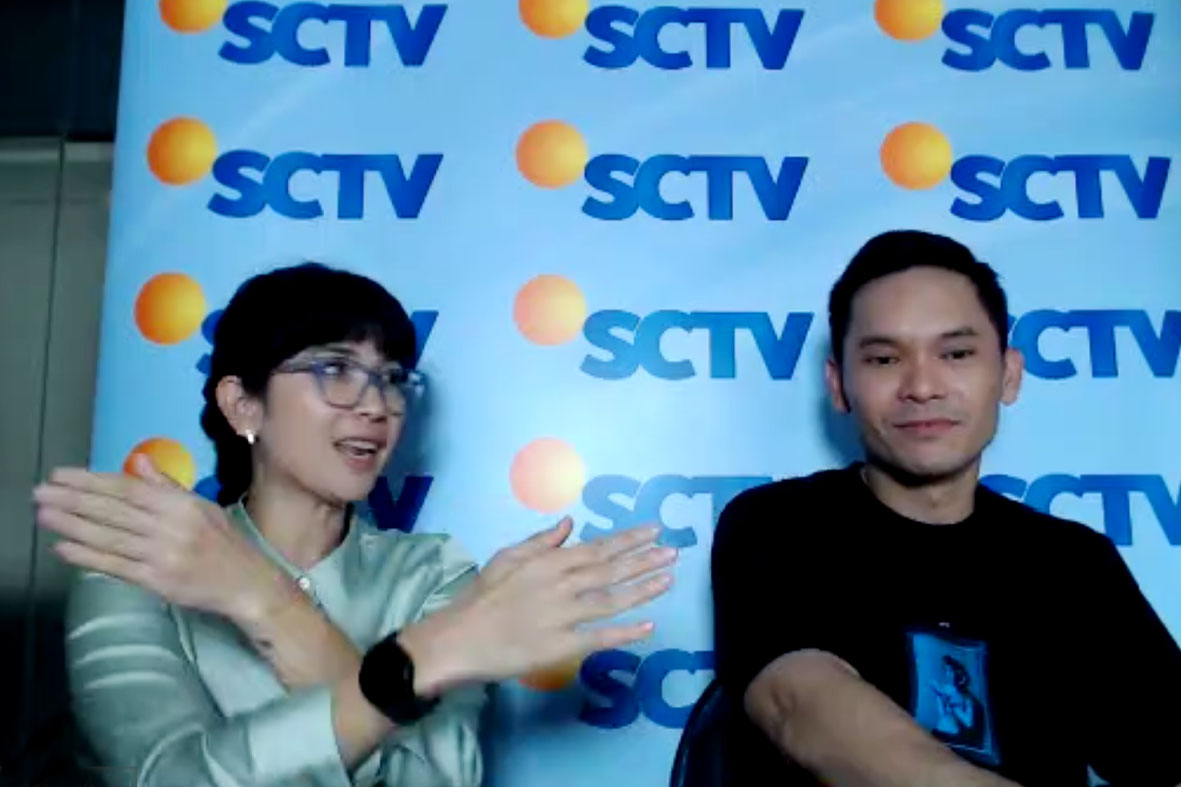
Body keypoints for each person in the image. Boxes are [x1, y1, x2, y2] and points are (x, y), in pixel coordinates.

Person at [34, 262, 677, 786]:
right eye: (334, 369)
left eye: (391, 378)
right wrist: (417, 662)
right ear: (242, 404)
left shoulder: (432, 574)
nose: (375, 405)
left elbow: (433, 782)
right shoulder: (140, 566)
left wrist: (268, 603)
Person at [709, 230, 1181, 786]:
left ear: (1008, 375)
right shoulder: (777, 524)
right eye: (884, 359)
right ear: (838, 386)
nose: (922, 386)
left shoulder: (1075, 561)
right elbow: (800, 705)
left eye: (956, 354)